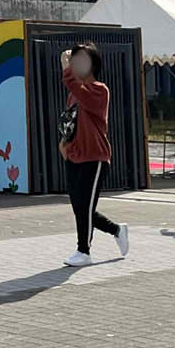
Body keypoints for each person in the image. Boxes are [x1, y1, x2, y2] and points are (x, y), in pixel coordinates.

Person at [60, 43, 129, 267]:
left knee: (84, 207)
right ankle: (116, 229)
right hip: (74, 156)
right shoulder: (74, 94)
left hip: (94, 157)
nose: (76, 64)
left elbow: (78, 89)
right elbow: (71, 122)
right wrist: (64, 143)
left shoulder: (99, 90)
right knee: (81, 208)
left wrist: (65, 69)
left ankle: (84, 251)